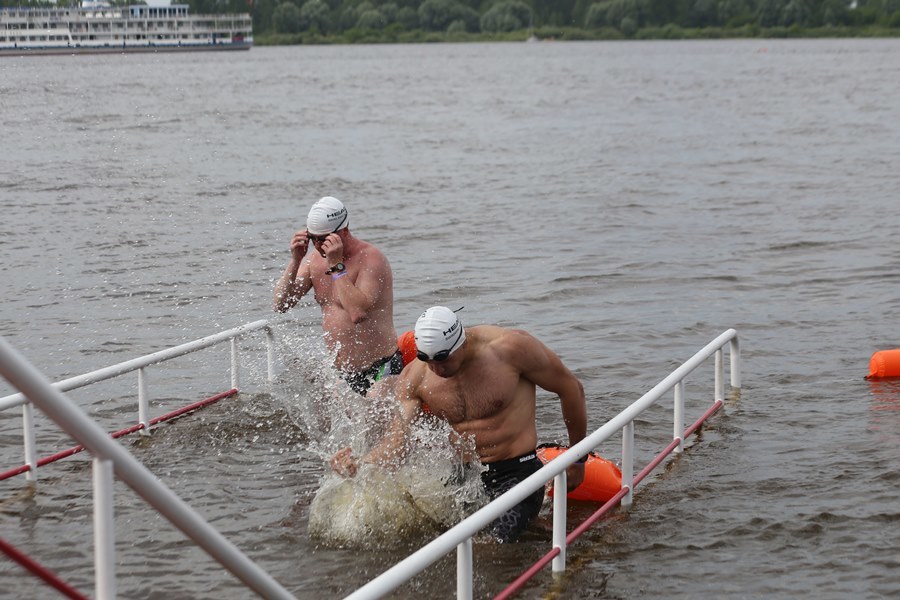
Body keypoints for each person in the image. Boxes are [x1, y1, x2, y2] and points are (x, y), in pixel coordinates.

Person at [330, 306, 588, 542]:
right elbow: (396, 442)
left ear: (461, 342)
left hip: (516, 472)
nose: (437, 369)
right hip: (464, 477)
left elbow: (571, 389)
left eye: (443, 359)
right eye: (427, 360)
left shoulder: (510, 350)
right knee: (433, 541)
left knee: (491, 545)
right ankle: (535, 532)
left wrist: (577, 459)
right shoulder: (415, 377)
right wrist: (361, 462)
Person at [273, 196, 402, 396]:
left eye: (323, 239)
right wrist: (295, 260)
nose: (317, 245)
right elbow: (280, 305)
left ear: (344, 230)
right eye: (312, 238)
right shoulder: (313, 261)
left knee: (374, 419)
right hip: (342, 372)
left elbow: (357, 313)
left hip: (380, 368)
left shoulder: (372, 259)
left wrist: (336, 266)